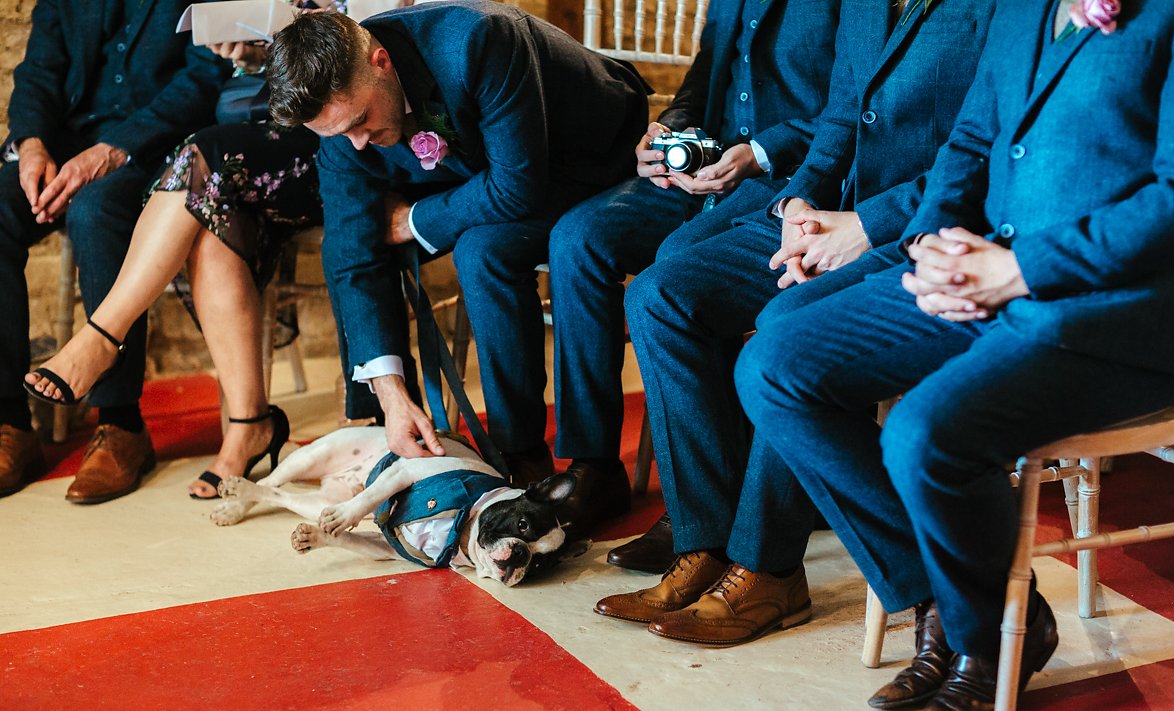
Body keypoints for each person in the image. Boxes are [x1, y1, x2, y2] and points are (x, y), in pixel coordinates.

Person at [735, 0, 1174, 711]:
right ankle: (944, 602)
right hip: (981, 272)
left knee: (921, 432)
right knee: (775, 364)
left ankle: (984, 644)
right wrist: (930, 249)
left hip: (1117, 313)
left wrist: (1021, 271)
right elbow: (973, 137)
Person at [594, 0, 995, 648]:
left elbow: (978, 151)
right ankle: (703, 545)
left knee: (787, 329)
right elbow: (841, 116)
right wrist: (797, 203)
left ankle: (767, 567)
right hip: (830, 211)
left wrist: (867, 230)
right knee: (660, 297)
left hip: (918, 227)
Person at [264, 3, 650, 487]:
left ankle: (593, 470)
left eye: (361, 121)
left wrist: (415, 220)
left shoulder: (479, 40)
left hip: (594, 162)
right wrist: (391, 395)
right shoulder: (343, 122)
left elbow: (516, 187)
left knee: (506, 248)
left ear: (381, 61)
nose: (357, 143)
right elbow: (350, 255)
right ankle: (520, 456)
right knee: (478, 252)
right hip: (495, 176)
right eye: (340, 134)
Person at [24, 5, 357, 500]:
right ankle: (250, 424)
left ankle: (101, 338)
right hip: (263, 124)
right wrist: (250, 54)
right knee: (211, 211)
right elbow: (258, 62)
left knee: (203, 161)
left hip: (339, 129)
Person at [545, 0, 839, 535]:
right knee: (577, 237)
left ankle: (714, 494)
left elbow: (852, 104)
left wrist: (761, 151)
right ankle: (594, 466)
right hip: (707, 163)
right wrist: (667, 132)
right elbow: (706, 73)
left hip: (789, 176)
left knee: (680, 265)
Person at [0, 0, 225, 502]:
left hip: (156, 148)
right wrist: (31, 144)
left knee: (97, 209)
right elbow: (39, 68)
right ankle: (9, 422)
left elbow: (206, 76)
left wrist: (116, 148)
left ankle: (121, 425)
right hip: (66, 145)